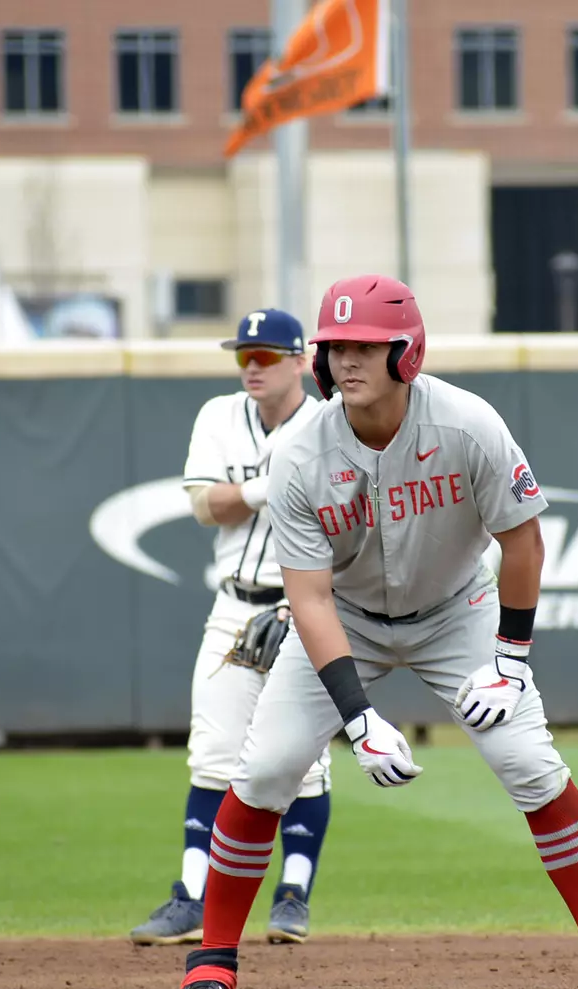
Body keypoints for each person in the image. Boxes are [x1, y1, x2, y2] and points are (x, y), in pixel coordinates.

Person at [164, 275, 578, 989]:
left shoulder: (468, 424)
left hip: (458, 610)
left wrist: (510, 661)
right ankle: (210, 967)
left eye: (366, 345)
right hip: (346, 618)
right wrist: (359, 720)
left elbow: (522, 544)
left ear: (407, 352)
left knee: (529, 763)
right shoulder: (298, 452)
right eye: (336, 346)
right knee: (262, 770)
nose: (348, 360)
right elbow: (311, 598)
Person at [129, 308, 333, 948]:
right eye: (245, 355)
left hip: (310, 607)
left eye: (267, 356)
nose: (252, 366)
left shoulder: (331, 424)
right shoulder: (219, 416)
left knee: (304, 762)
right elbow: (201, 506)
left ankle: (293, 897)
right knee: (214, 755)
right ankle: (191, 897)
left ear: (300, 361)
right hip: (234, 606)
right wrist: (265, 489)